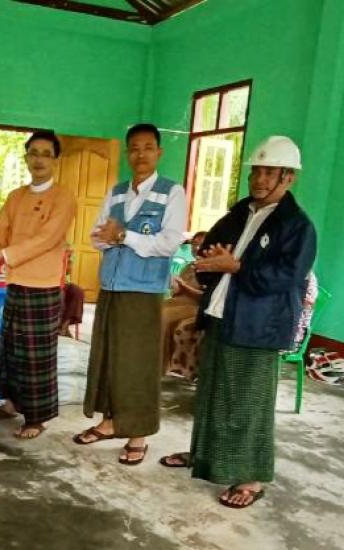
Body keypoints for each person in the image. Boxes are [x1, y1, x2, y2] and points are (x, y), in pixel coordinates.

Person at [159, 136, 316, 509]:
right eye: (255, 172)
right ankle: (204, 456)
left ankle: (252, 477)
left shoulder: (297, 226)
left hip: (259, 327)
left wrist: (237, 266)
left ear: (288, 177)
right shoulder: (240, 212)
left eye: (269, 173)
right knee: (212, 394)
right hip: (221, 316)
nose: (259, 179)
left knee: (247, 404)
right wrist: (209, 258)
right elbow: (211, 248)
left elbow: (286, 276)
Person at [74, 123, 187, 466]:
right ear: (127, 154)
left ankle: (137, 434)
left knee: (137, 364)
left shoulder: (172, 192)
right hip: (111, 286)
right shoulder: (117, 192)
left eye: (148, 148)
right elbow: (95, 237)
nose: (141, 155)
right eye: (135, 149)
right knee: (108, 358)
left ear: (159, 153)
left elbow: (169, 242)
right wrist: (110, 237)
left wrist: (124, 236)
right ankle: (109, 422)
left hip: (143, 290)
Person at [0, 130, 76, 439]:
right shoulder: (16, 196)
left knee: (36, 356)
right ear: (26, 157)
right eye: (34, 153)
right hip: (15, 283)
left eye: (46, 154)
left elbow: (47, 239)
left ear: (55, 160)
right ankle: (11, 402)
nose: (39, 160)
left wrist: (3, 255)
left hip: (44, 286)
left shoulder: (63, 197)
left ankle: (37, 417)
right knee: (12, 348)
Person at [161, 231, 206, 379]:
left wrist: (184, 287)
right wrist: (175, 285)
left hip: (196, 306)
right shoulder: (189, 266)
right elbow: (177, 291)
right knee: (153, 310)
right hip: (179, 301)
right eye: (194, 244)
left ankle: (162, 365)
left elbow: (204, 297)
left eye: (201, 245)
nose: (197, 248)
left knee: (164, 316)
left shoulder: (211, 269)